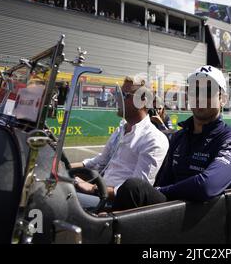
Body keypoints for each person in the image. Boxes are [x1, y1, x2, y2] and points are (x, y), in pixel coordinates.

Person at [109, 65, 231, 211]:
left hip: (204, 217)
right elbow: (163, 181)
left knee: (133, 188)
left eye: (208, 91)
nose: (199, 97)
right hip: (171, 213)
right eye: (194, 91)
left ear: (223, 99)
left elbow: (207, 185)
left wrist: (160, 191)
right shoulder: (179, 137)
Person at [70, 76, 169, 210]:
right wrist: (64, 165)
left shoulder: (154, 139)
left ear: (142, 101)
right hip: (100, 192)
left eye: (124, 95)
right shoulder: (121, 129)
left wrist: (93, 188)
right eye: (118, 94)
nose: (117, 99)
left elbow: (134, 191)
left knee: (60, 198)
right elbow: (99, 161)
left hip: (115, 204)